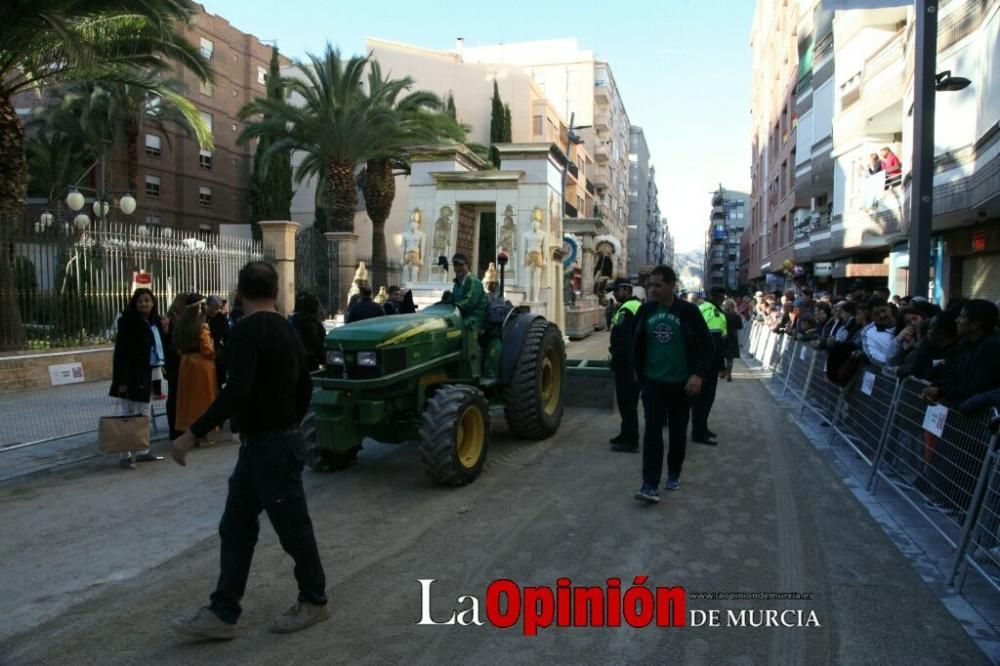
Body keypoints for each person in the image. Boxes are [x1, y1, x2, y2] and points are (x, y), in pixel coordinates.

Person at [170, 262, 328, 639]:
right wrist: (290, 421)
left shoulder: (246, 332)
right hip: (269, 443)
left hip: (268, 445)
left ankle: (314, 600)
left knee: (291, 528)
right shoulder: (287, 331)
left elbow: (236, 391)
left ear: (240, 293)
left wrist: (191, 434)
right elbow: (305, 385)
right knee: (236, 526)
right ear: (276, 292)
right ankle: (223, 613)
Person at [630, 265, 713, 503]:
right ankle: (649, 485)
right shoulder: (645, 311)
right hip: (653, 383)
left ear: (671, 285)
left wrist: (697, 374)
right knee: (652, 431)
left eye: (658, 285)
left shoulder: (688, 312)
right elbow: (635, 342)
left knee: (677, 431)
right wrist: (638, 371)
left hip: (681, 385)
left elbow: (707, 346)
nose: (652, 289)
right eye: (650, 285)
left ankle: (674, 471)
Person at [108, 288, 167, 469]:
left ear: (153, 302)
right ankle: (124, 454)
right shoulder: (127, 322)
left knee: (144, 413)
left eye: (147, 300)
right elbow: (121, 353)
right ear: (134, 303)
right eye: (140, 301)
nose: (144, 304)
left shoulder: (155, 321)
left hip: (149, 372)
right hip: (131, 374)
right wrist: (121, 381)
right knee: (128, 414)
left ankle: (142, 450)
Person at [174, 293, 219, 439]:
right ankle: (203, 433)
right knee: (203, 401)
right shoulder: (202, 326)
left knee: (188, 401)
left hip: (186, 364)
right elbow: (207, 350)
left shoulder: (180, 325)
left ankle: (189, 430)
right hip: (201, 365)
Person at [607, 278, 641, 452]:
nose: (614, 293)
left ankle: (631, 440)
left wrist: (620, 361)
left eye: (616, 290)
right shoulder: (628, 307)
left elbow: (626, 341)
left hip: (627, 365)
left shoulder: (628, 309)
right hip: (627, 364)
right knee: (626, 402)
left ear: (627, 290)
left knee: (627, 402)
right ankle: (625, 433)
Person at [692, 286, 728, 445]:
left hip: (698, 362)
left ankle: (701, 429)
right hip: (708, 365)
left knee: (701, 400)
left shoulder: (701, 308)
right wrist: (721, 366)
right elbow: (715, 345)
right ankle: (699, 433)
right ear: (720, 297)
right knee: (705, 399)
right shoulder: (715, 314)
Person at [162, 293, 188, 441]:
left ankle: (178, 428)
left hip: (176, 361)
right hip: (174, 362)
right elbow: (170, 343)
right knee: (174, 396)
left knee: (176, 395)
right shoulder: (171, 320)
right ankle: (175, 429)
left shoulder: (175, 318)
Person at [445, 253, 488, 331]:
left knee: (457, 328)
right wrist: (444, 304)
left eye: (461, 265)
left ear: (467, 265)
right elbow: (452, 300)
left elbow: (469, 302)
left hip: (474, 318)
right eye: (455, 265)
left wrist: (453, 307)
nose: (457, 268)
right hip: (460, 315)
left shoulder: (473, 281)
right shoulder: (457, 283)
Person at [291, 292, 326, 372]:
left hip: (298, 362)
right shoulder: (311, 324)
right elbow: (316, 344)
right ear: (314, 308)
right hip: (310, 363)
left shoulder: (296, 319)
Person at [206, 296, 229, 391]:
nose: (217, 310)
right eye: (214, 307)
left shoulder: (221, 318)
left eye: (218, 307)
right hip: (207, 349)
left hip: (218, 351)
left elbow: (227, 334)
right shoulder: (204, 317)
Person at [721, 298, 743, 382]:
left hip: (723, 337)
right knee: (730, 358)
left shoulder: (721, 315)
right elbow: (740, 327)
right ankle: (729, 374)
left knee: (722, 356)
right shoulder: (736, 315)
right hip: (732, 337)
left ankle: (723, 372)